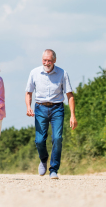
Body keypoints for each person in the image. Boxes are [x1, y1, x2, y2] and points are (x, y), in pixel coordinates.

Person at [25, 49, 77, 179]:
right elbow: (28, 92)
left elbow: (70, 95)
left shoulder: (62, 73)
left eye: (49, 60)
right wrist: (28, 107)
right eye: (44, 60)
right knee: (39, 140)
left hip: (57, 109)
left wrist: (72, 115)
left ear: (54, 60)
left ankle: (53, 169)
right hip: (40, 108)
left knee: (57, 138)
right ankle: (43, 159)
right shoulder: (34, 72)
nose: (46, 63)